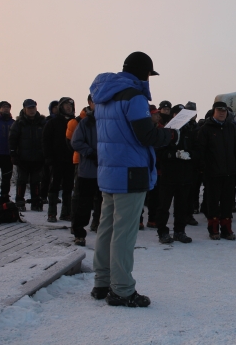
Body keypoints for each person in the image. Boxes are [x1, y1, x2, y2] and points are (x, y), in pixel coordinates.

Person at [90, 51, 179, 307]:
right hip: (131, 172)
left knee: (107, 228)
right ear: (144, 73)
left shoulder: (104, 96)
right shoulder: (135, 96)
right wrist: (171, 135)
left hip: (110, 171)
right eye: (149, 74)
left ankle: (102, 282)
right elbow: (146, 136)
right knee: (124, 234)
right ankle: (122, 289)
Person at [197, 101, 236, 240]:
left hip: (230, 173)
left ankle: (227, 229)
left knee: (228, 203)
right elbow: (200, 152)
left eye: (224, 111)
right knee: (213, 203)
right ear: (214, 111)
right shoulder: (206, 129)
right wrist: (203, 170)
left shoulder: (231, 127)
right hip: (213, 173)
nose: (222, 113)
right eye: (219, 110)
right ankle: (213, 229)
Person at [155, 103, 199, 244]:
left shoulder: (190, 131)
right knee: (164, 206)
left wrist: (190, 154)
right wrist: (173, 154)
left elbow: (197, 150)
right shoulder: (166, 131)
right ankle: (162, 232)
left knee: (182, 206)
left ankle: (180, 231)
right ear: (173, 115)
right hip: (168, 175)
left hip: (185, 175)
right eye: (178, 114)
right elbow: (158, 152)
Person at [70, 101, 101, 246]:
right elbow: (76, 142)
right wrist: (90, 152)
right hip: (88, 171)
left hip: (107, 171)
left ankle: (99, 226)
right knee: (83, 203)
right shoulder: (86, 123)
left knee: (104, 203)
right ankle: (79, 232)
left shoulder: (112, 122)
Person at [8, 99, 46, 211]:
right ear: (24, 109)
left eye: (33, 107)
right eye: (29, 108)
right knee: (22, 181)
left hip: (38, 158)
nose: (31, 110)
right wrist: (13, 154)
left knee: (36, 181)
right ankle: (20, 201)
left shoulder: (42, 122)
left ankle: (36, 202)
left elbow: (47, 139)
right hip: (23, 158)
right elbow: (12, 139)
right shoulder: (19, 123)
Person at [42, 97, 76, 222]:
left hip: (71, 160)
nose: (68, 107)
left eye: (70, 105)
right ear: (61, 107)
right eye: (66, 105)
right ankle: (52, 213)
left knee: (68, 187)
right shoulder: (53, 122)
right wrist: (48, 157)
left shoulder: (75, 122)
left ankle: (66, 213)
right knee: (54, 186)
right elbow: (45, 141)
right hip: (56, 160)